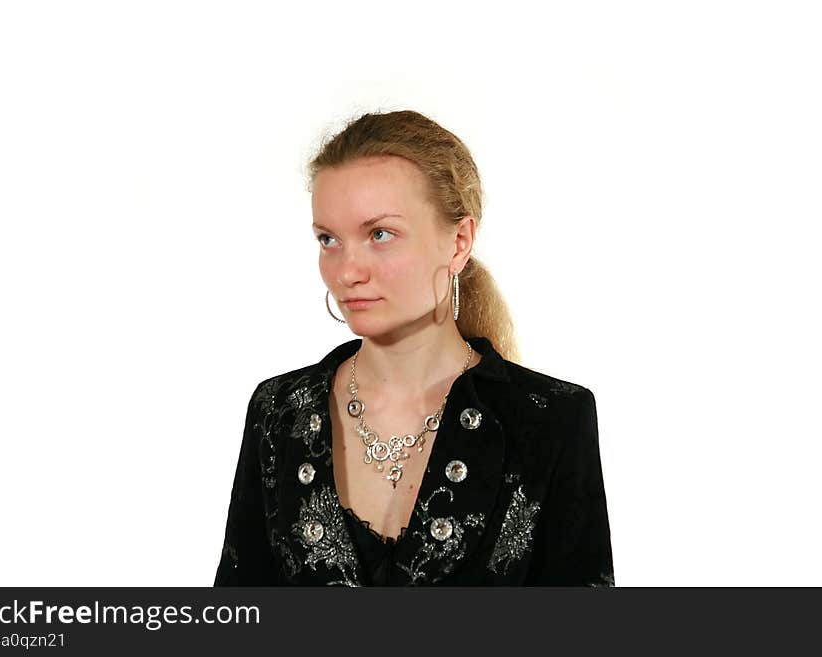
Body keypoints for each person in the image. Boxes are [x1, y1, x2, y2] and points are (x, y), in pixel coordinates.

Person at [213, 109, 614, 586]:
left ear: (459, 241)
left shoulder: (549, 419)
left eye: (380, 234)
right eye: (329, 239)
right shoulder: (279, 411)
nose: (347, 271)